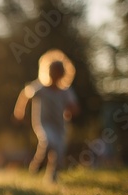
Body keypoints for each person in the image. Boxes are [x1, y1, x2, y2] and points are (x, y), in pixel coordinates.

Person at [13, 51, 79, 182]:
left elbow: (74, 107)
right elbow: (25, 95)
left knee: (59, 151)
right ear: (47, 72)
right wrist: (20, 112)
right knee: (48, 142)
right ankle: (38, 164)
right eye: (52, 71)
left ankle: (52, 176)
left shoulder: (66, 91)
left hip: (60, 125)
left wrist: (71, 110)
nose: (54, 74)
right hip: (43, 123)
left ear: (63, 74)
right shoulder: (41, 88)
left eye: (57, 72)